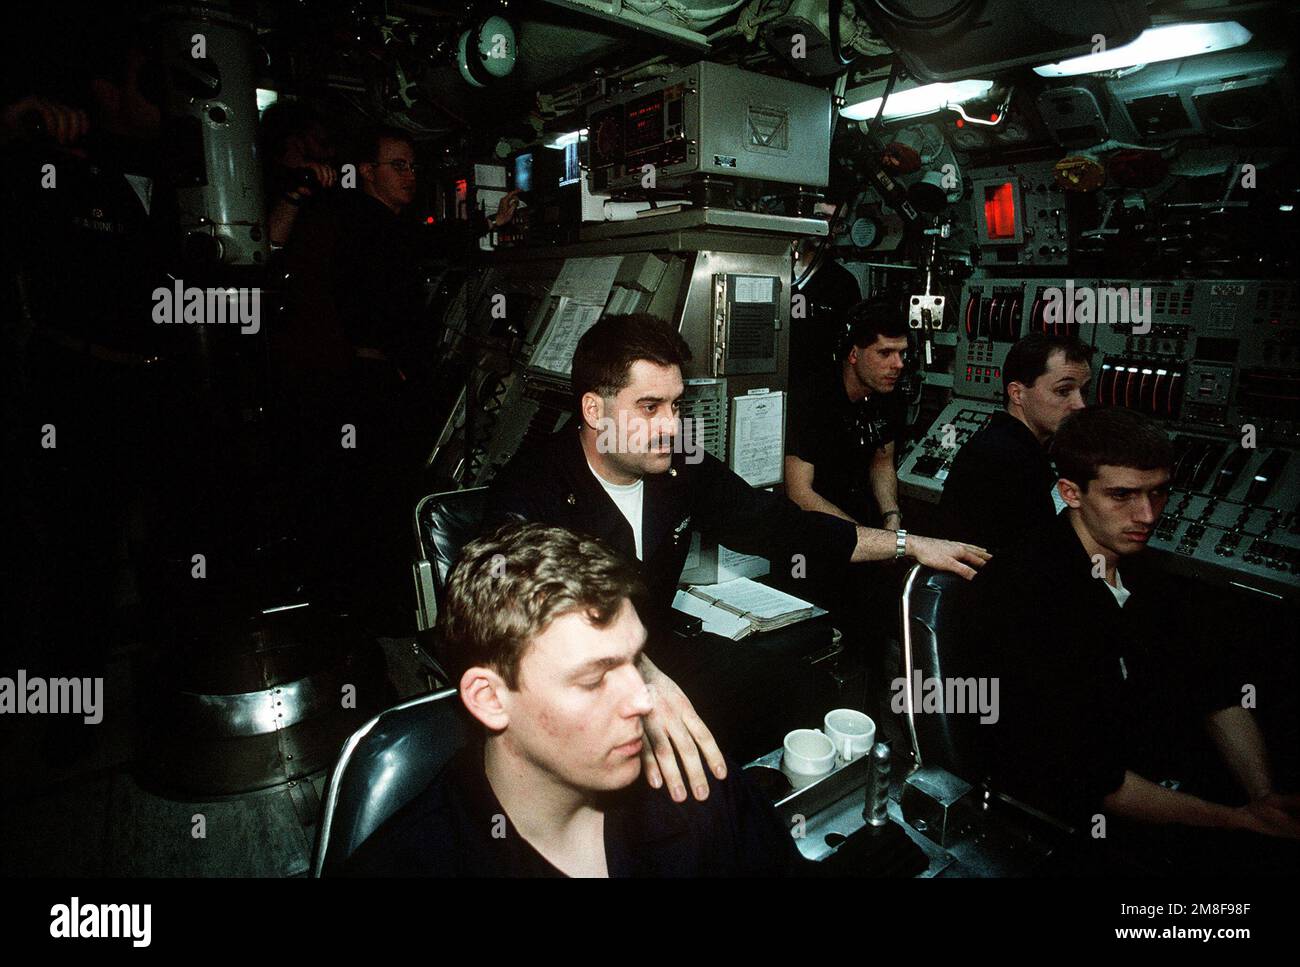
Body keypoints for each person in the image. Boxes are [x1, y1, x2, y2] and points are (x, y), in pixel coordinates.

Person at [486, 313, 989, 799]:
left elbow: (783, 527)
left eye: (676, 405)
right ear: (594, 411)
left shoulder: (679, 465)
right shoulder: (531, 493)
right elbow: (523, 638)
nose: (671, 426)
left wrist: (905, 543)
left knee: (808, 692)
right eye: (649, 407)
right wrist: (637, 678)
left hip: (661, 647)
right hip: (576, 679)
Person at [335, 522, 805, 877]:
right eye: (594, 679)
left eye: (636, 660)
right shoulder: (409, 865)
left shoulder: (696, 787)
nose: (643, 701)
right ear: (489, 699)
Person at [961, 406, 1300, 874]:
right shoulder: (1025, 594)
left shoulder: (1143, 568)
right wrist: (1234, 820)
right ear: (1070, 493)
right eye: (1122, 495)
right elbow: (1094, 778)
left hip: (1152, 768)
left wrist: (1262, 794)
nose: (1146, 515)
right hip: (1068, 812)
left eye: (1158, 493)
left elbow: (1214, 685)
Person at [274, 124, 517, 630]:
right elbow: (279, 239)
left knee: (378, 497)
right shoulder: (352, 216)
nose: (410, 176)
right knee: (377, 498)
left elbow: (426, 238)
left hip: (377, 383)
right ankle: (383, 613)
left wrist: (488, 224)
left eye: (412, 166)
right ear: (366, 172)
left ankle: (378, 605)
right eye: (398, 167)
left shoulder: (383, 223)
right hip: (366, 385)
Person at [939, 333, 1092, 550]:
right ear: (1017, 393)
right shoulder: (1006, 459)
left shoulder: (1013, 445)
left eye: (1083, 391)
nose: (1079, 405)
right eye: (1063, 391)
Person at [785, 293, 910, 530]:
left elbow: (882, 462)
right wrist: (869, 540)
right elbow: (799, 492)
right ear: (853, 354)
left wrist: (892, 516)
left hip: (863, 522)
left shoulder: (887, 394)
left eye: (901, 353)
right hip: (816, 532)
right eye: (885, 353)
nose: (898, 364)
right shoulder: (812, 399)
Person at [788, 197, 861, 397]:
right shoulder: (774, 269)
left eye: (836, 222)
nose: (828, 228)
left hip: (817, 392)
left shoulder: (843, 283)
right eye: (821, 218)